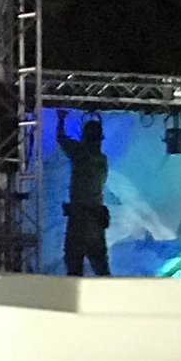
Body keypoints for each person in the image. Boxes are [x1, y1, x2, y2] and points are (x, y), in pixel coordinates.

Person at [56, 113, 112, 276]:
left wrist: (61, 119)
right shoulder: (102, 160)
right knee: (101, 268)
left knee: (73, 264)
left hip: (78, 219)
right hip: (95, 219)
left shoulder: (79, 153)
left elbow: (61, 138)